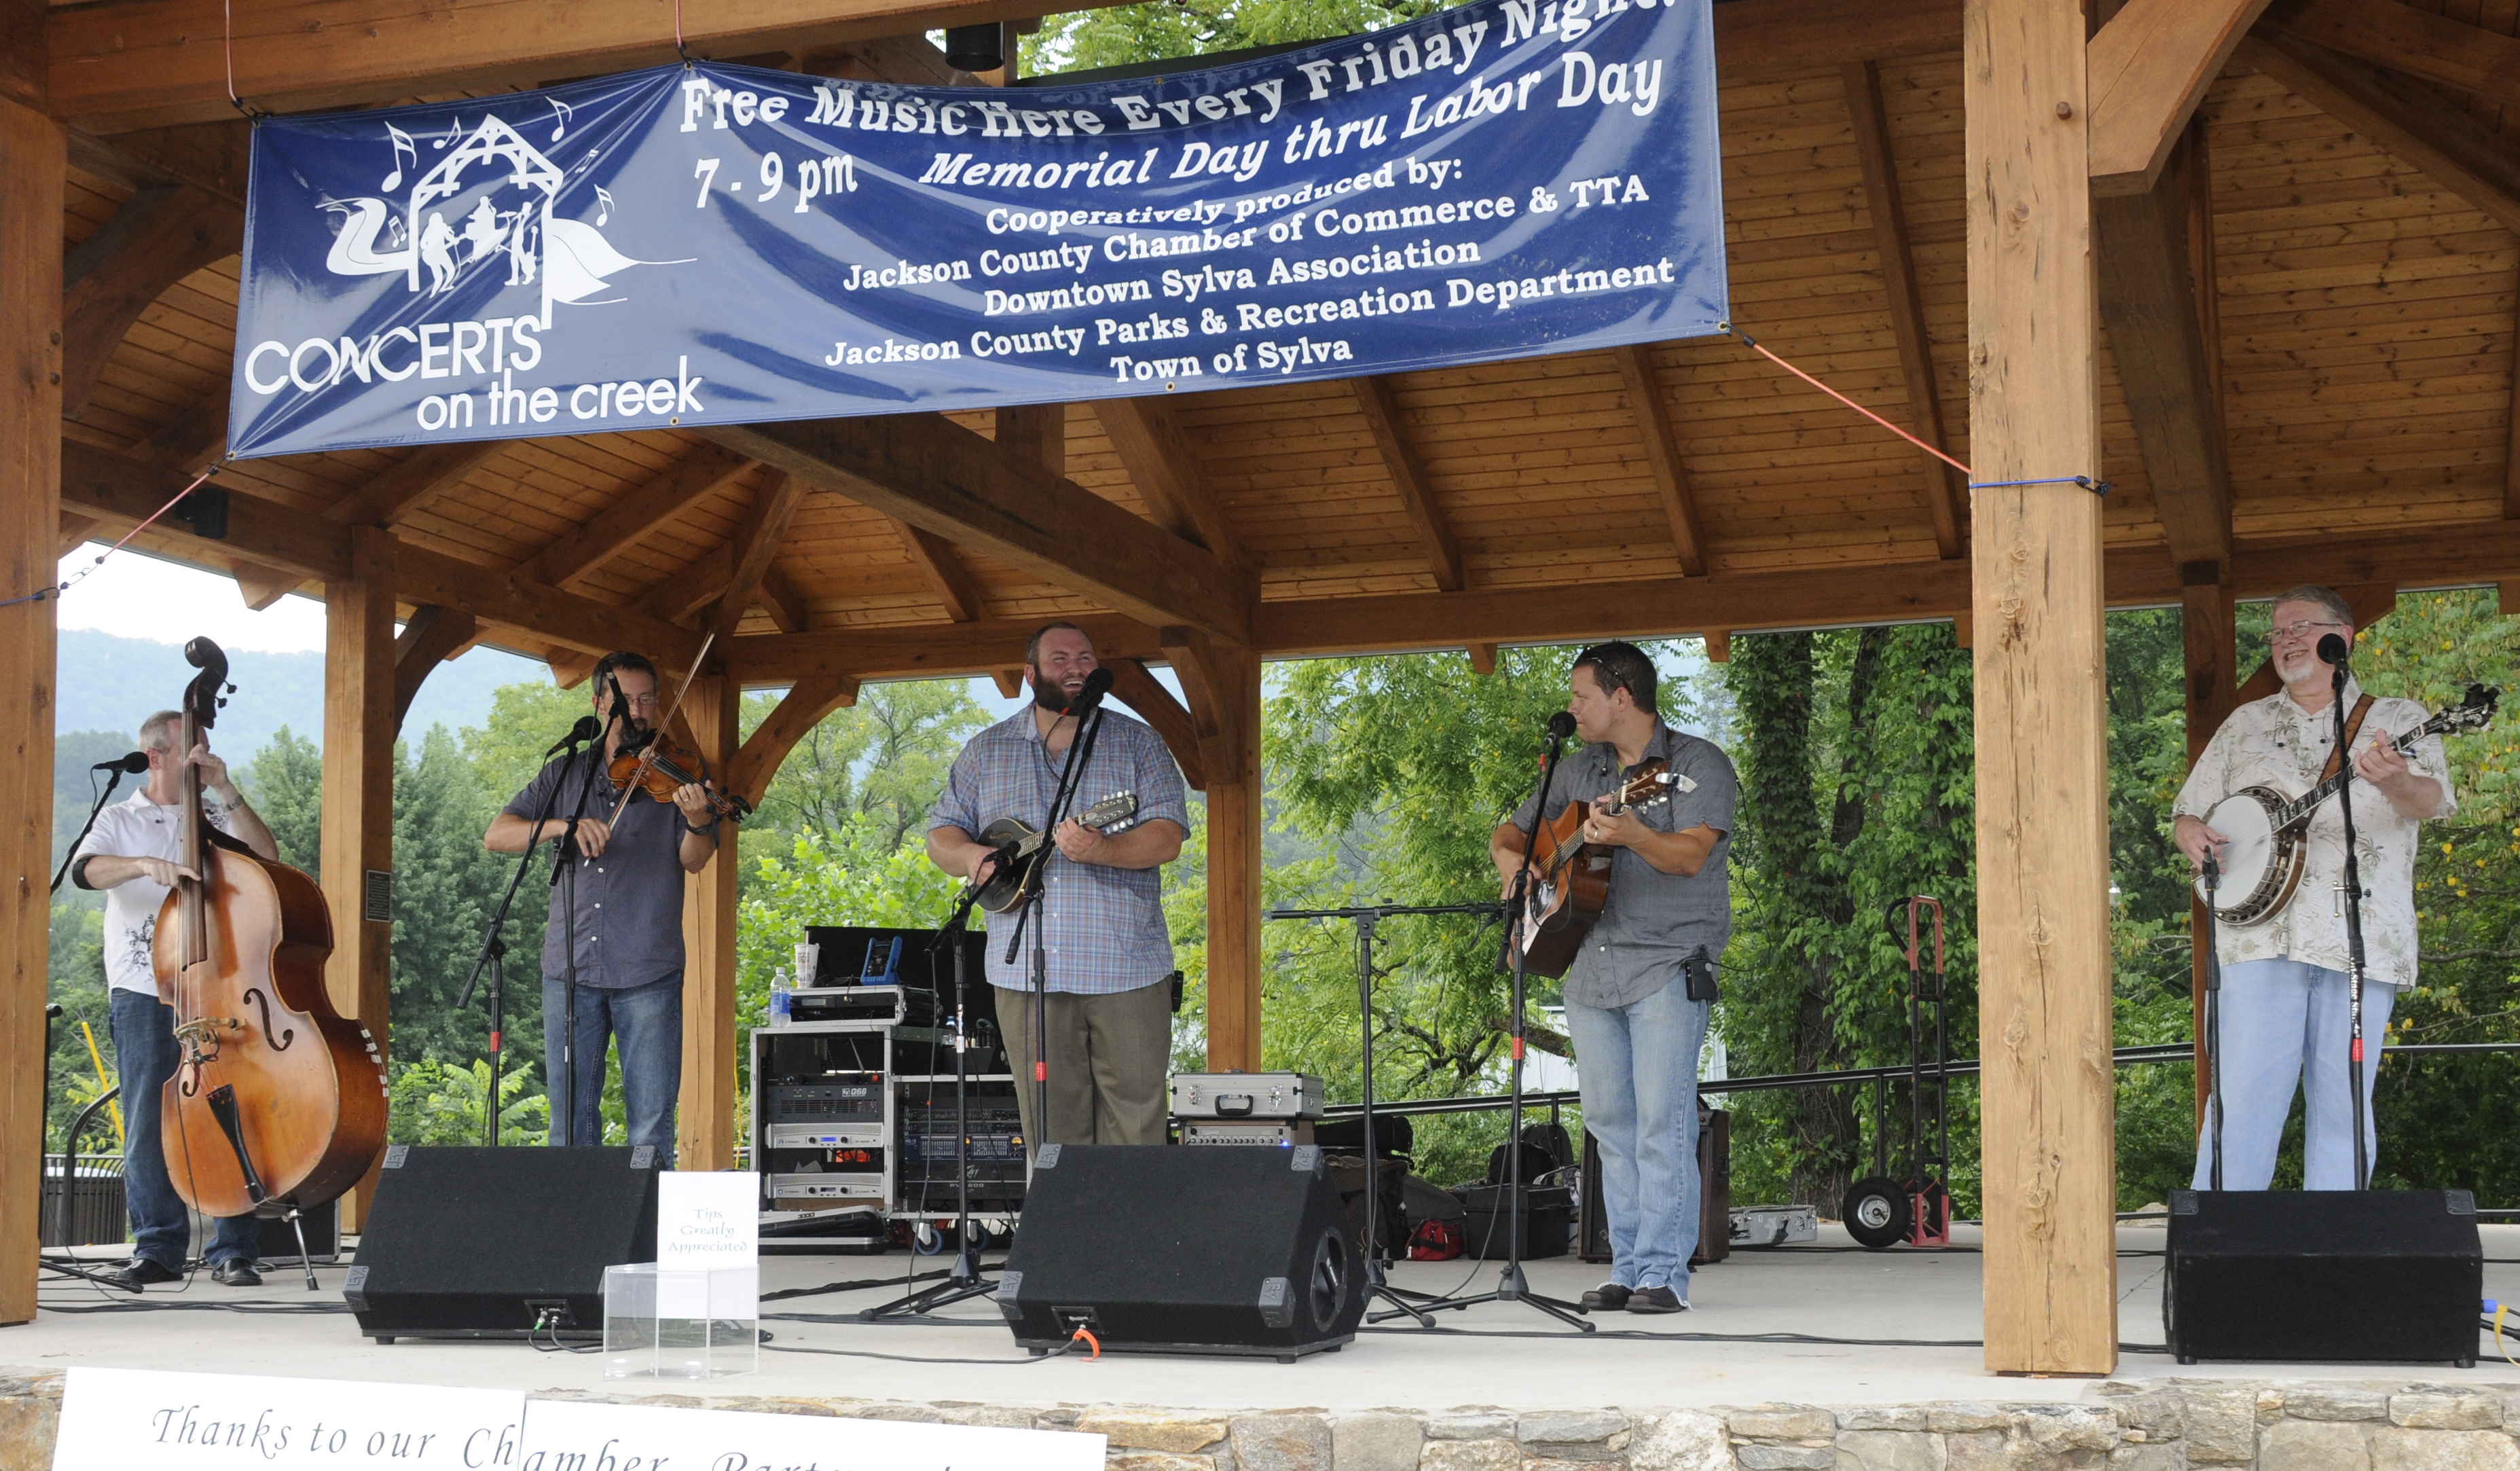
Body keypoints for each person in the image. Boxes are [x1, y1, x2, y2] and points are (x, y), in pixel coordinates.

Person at [2173, 585, 2455, 1189]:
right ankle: (2223, 1252)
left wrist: (2398, 780)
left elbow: (2432, 802)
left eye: (2299, 627)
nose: (2286, 641)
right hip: (2254, 941)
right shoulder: (2243, 724)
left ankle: (2336, 1258)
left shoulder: (2398, 719)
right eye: (2276, 633)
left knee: (2343, 1103)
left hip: (2358, 941)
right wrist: (2190, 832)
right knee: (2241, 1099)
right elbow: (2187, 814)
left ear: (2342, 637)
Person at [1490, 642, 1736, 1314]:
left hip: (1666, 960)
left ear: (1621, 697)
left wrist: (1630, 835)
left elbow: (1689, 857)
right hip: (1589, 966)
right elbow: (1508, 835)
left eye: (1581, 697)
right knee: (1608, 1122)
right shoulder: (1578, 770)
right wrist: (1519, 871)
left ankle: (1664, 1275)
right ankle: (1625, 1267)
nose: (1571, 708)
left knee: (1662, 1123)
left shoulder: (1694, 765)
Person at [926, 621, 1190, 1152]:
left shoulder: (1138, 743)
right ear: (1030, 674)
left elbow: (1166, 838)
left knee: (1136, 1121)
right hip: (1024, 972)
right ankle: (1062, 1235)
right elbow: (940, 836)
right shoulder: (986, 751)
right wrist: (975, 856)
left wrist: (1103, 849)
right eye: (1060, 659)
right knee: (1049, 1129)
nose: (1076, 668)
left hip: (1126, 966)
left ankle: (1135, 1237)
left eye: (1086, 658)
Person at [71, 710, 282, 1289]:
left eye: (208, 751)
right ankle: (158, 1248)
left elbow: (268, 857)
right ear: (158, 756)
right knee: (148, 1118)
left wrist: (225, 787)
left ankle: (234, 1249)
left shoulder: (212, 814)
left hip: (217, 987)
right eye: (195, 751)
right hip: (143, 988)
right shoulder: (121, 817)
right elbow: (85, 871)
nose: (203, 759)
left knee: (227, 1113)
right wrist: (143, 863)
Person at [485, 651, 725, 1159]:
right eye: (626, 701)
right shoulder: (565, 773)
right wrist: (561, 827)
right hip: (569, 971)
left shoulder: (678, 777)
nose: (638, 711)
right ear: (598, 704)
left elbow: (695, 859)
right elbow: (498, 834)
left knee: (651, 1124)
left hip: (647, 969)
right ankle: (575, 1236)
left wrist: (700, 821)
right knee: (569, 1121)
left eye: (647, 700)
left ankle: (642, 1237)